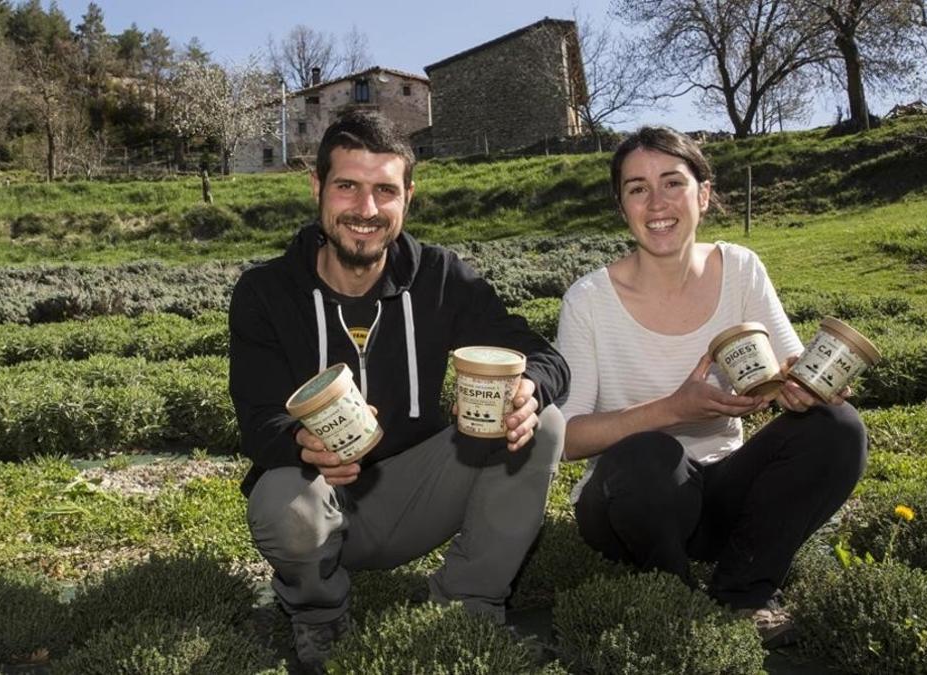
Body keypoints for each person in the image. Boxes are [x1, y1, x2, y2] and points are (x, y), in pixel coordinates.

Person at [229, 110, 568, 672]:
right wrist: (300, 445)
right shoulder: (267, 292)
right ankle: (318, 616)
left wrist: (532, 386)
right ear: (317, 187)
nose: (366, 210)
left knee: (543, 424)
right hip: (322, 499)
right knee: (279, 499)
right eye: (347, 187)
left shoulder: (441, 277)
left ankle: (468, 604)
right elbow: (258, 419)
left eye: (384, 190)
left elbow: (542, 354)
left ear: (409, 196)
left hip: (417, 494)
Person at [556, 126, 866, 645]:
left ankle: (742, 595)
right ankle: (674, 603)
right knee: (648, 453)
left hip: (721, 493)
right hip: (625, 505)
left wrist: (806, 389)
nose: (657, 202)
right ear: (621, 205)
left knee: (836, 427)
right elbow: (564, 438)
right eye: (637, 188)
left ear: (703, 193)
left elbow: (785, 364)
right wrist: (672, 409)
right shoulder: (588, 301)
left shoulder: (741, 268)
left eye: (672, 182)